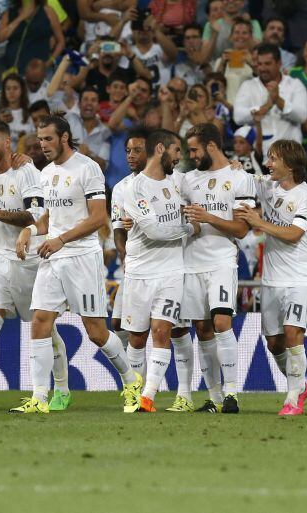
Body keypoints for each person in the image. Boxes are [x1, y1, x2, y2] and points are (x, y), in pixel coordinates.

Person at [12, 115, 141, 413]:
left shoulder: (87, 168)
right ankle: (39, 398)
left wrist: (62, 240)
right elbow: (49, 218)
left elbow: (98, 217)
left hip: (82, 257)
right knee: (41, 322)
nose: (41, 144)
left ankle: (130, 380)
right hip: (52, 257)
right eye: (39, 138)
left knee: (96, 332)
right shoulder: (45, 174)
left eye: (47, 138)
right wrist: (30, 230)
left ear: (64, 137)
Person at [0, 120, 71, 411]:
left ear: (7, 143)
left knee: (47, 330)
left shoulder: (28, 172)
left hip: (31, 262)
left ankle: (62, 389)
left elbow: (34, 217)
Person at [235, 139, 307, 416]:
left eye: (273, 159)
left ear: (290, 163)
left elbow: (294, 235)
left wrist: (258, 222)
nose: (268, 164)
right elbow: (240, 174)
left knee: (294, 333)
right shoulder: (267, 184)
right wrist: (233, 168)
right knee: (274, 342)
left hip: (298, 277)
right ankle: (301, 384)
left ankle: (293, 398)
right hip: (271, 278)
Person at [120, 129, 199, 413]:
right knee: (137, 336)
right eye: (176, 151)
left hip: (172, 270)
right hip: (140, 271)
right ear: (160, 150)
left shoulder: (181, 182)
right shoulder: (134, 188)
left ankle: (148, 397)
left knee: (162, 330)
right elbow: (153, 230)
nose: (180, 157)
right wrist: (188, 228)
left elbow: (211, 180)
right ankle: (133, 392)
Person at [179, 123, 255, 414]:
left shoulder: (239, 178)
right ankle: (215, 397)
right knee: (202, 328)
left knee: (222, 321)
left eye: (196, 149)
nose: (192, 155)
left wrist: (208, 217)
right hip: (191, 263)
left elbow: (241, 229)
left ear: (211, 146)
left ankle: (233, 394)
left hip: (221, 262)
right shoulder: (187, 180)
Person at [110, 127, 149, 350]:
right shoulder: (120, 188)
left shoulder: (167, 181)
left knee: (170, 329)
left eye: (137, 150)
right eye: (128, 151)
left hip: (163, 262)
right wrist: (124, 256)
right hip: (133, 261)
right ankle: (133, 379)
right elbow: (117, 228)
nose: (131, 155)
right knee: (118, 323)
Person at [234, 43, 307, 159]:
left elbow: (302, 116)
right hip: (258, 156)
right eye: (259, 64)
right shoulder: (248, 86)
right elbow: (238, 117)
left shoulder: (295, 85)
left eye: (267, 64)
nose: (262, 68)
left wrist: (278, 100)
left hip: (290, 156)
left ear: (279, 63)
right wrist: (265, 108)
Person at [0, 73, 36, 150]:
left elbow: (35, 137)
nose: (11, 92)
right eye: (8, 88)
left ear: (22, 90)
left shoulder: (30, 112)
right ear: (4, 91)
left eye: (15, 88)